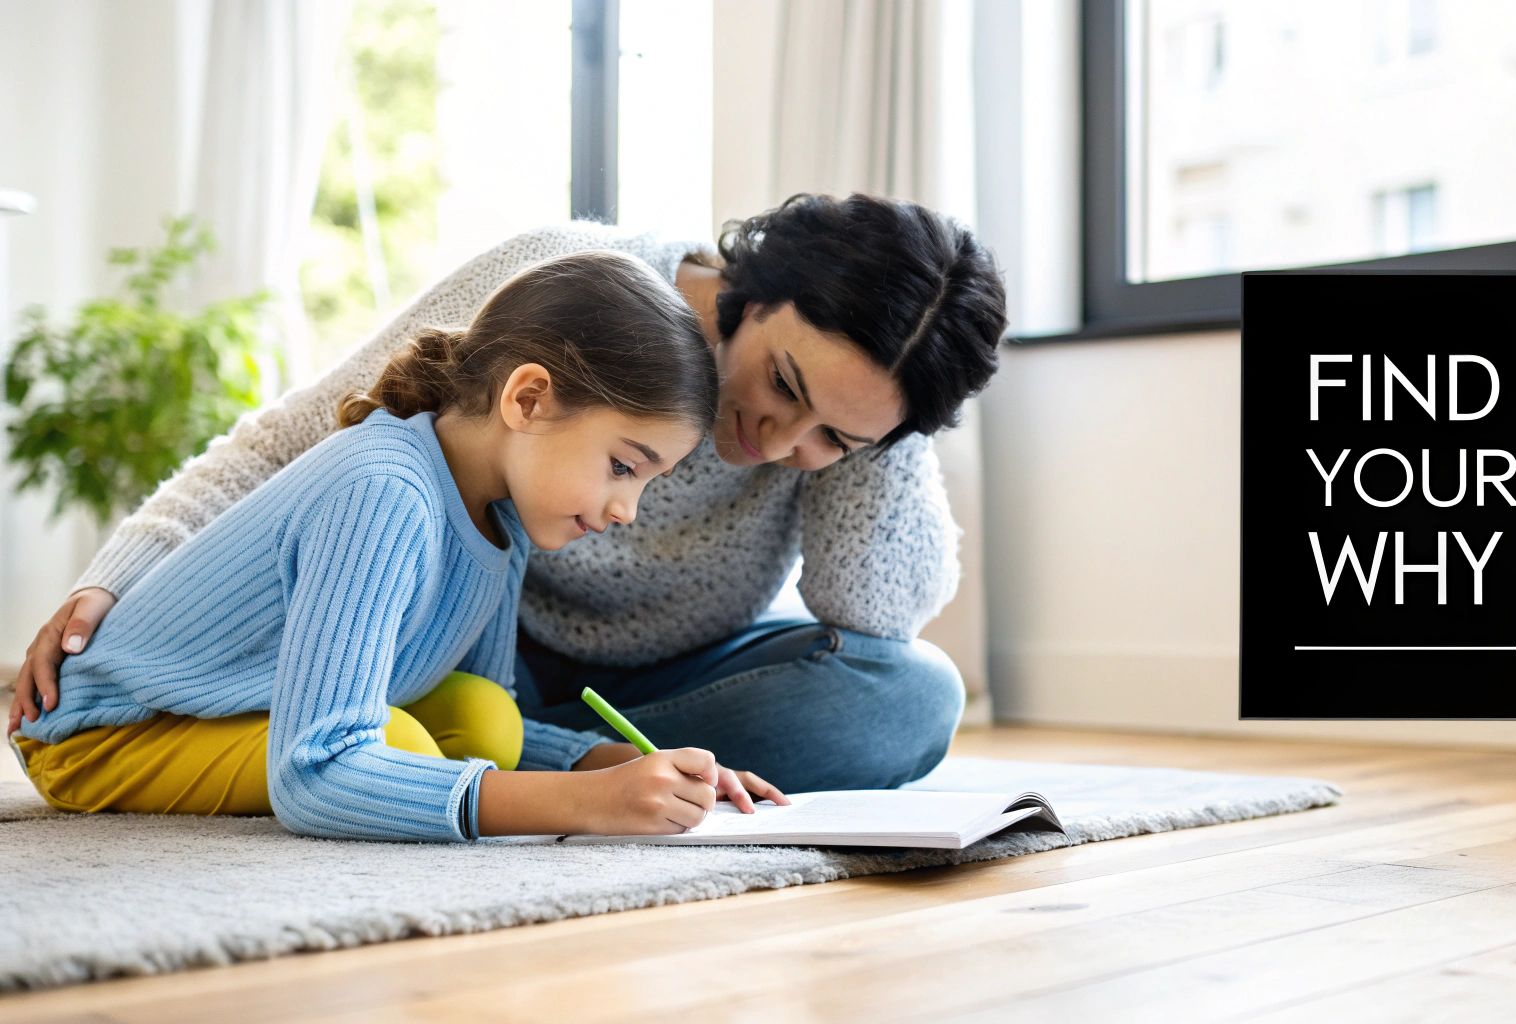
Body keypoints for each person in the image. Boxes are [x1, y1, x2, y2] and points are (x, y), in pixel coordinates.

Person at [10, 192, 1010, 793]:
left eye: (834, 436)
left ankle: (583, 759)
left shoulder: (836, 438)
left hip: (649, 687)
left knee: (909, 692)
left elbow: (871, 613)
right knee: (432, 719)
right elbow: (305, 432)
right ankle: (538, 767)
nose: (777, 440)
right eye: (783, 386)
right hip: (462, 637)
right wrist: (116, 578)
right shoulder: (574, 283)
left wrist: (884, 421)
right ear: (754, 288)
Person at [7, 250, 788, 842]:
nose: (628, 509)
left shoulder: (504, 524)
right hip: (105, 736)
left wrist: (621, 768)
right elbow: (317, 772)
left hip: (244, 713)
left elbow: (491, 730)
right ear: (527, 398)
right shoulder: (384, 490)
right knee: (397, 743)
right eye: (624, 467)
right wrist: (581, 805)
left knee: (486, 719)